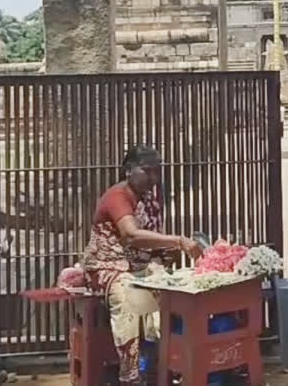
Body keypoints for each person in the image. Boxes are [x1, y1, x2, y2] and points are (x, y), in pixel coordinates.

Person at [80, 144, 204, 386]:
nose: (154, 178)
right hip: (109, 268)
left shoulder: (150, 197)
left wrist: (165, 253)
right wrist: (178, 241)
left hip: (141, 266)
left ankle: (164, 368)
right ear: (129, 170)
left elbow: (151, 237)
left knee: (172, 295)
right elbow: (131, 235)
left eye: (157, 172)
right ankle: (130, 376)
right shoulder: (117, 196)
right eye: (148, 171)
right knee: (127, 298)